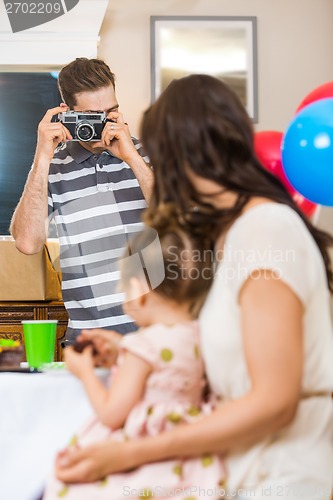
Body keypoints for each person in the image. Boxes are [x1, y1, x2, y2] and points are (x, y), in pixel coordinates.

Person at [55, 75, 333, 499]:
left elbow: (275, 402)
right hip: (243, 472)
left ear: (181, 156)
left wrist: (131, 453)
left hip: (283, 476)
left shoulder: (265, 231)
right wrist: (129, 352)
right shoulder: (229, 235)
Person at [43, 224, 225, 499]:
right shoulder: (201, 335)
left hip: (146, 460)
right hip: (191, 458)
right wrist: (122, 350)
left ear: (139, 290)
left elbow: (112, 414)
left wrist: (85, 374)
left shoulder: (143, 346)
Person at [10, 58, 153, 343]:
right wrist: (43, 155)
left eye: (110, 112)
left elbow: (183, 222)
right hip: (88, 339)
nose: (102, 125)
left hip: (154, 334)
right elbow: (27, 243)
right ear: (67, 113)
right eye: (92, 116)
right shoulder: (52, 166)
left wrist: (132, 158)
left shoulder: (148, 155)